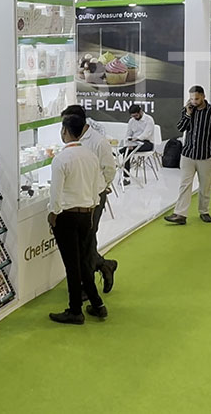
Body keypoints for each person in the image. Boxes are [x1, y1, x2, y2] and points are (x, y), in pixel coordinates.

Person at [46, 114, 107, 325]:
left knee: (72, 265)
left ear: (65, 131)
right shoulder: (91, 156)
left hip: (67, 216)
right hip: (87, 214)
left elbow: (56, 194)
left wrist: (53, 214)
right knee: (83, 261)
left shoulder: (61, 159)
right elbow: (98, 187)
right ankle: (97, 304)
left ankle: (75, 310)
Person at [61, 105, 118, 292]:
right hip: (77, 195)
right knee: (84, 240)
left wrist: (102, 187)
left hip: (94, 196)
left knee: (87, 240)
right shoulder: (72, 140)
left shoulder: (98, 142)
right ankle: (104, 265)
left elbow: (110, 169)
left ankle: (88, 286)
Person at [166, 86, 211, 225]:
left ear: (203, 96)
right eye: (192, 98)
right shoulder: (187, 110)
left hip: (206, 155)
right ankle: (180, 214)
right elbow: (180, 128)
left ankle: (204, 211)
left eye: (197, 98)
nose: (194, 101)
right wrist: (188, 114)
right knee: (184, 185)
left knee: (205, 186)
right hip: (188, 154)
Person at [120, 104, 155, 186]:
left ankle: (119, 151)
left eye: (136, 115)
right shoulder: (131, 121)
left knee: (127, 150)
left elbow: (146, 134)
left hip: (147, 143)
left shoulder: (149, 119)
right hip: (134, 143)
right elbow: (128, 134)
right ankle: (126, 178)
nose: (135, 117)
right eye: (133, 116)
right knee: (127, 152)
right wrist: (129, 141)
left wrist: (136, 139)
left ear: (140, 112)